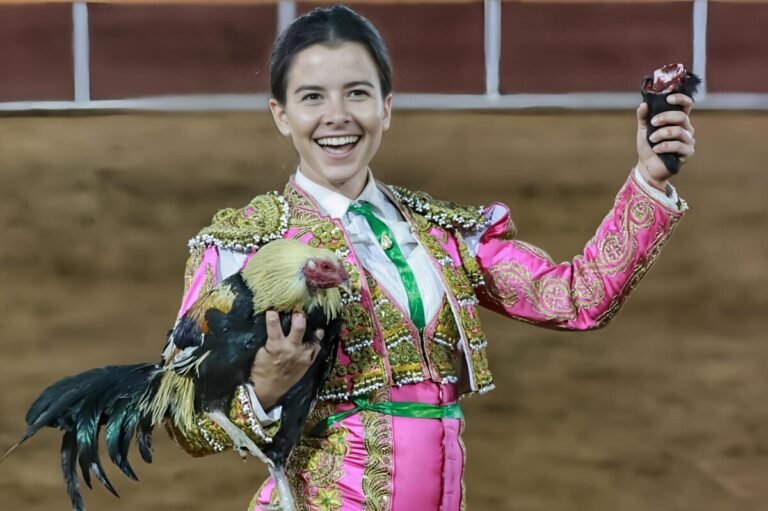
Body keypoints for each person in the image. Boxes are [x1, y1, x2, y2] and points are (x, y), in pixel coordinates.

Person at [165, 5, 696, 510]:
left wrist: (649, 180)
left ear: (386, 106)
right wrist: (266, 388)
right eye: (312, 98)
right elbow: (182, 418)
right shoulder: (243, 246)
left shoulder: (442, 233)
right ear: (281, 115)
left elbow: (577, 298)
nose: (337, 116)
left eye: (357, 93)